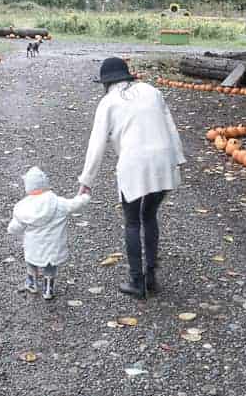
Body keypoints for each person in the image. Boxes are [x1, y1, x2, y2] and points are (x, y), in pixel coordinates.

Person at [77, 57, 185, 299]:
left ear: (106, 82)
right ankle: (151, 277)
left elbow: (96, 145)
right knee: (149, 215)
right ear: (127, 76)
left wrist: (87, 181)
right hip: (163, 160)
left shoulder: (108, 102)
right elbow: (170, 126)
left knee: (133, 222)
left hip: (135, 164)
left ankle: (137, 281)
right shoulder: (152, 91)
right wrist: (177, 159)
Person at [8, 166, 89, 300]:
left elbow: (16, 226)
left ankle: (32, 283)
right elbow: (74, 204)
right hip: (53, 247)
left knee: (31, 263)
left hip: (33, 246)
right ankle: (48, 289)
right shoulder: (58, 203)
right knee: (50, 267)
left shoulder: (24, 207)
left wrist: (11, 229)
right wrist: (84, 196)